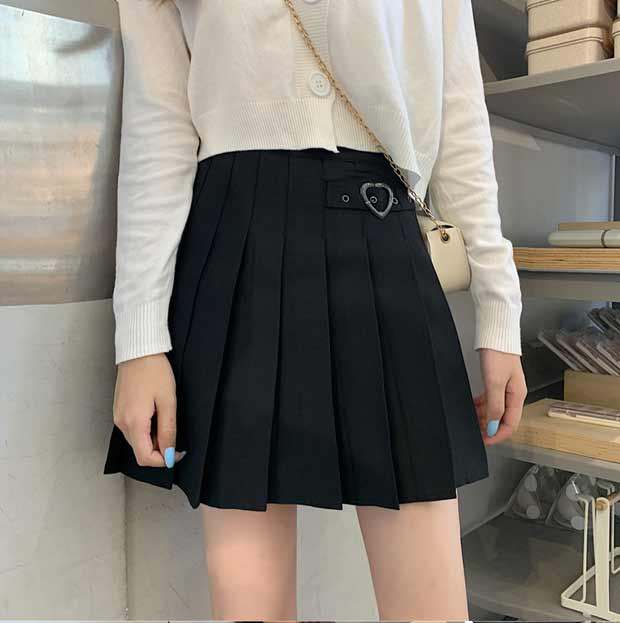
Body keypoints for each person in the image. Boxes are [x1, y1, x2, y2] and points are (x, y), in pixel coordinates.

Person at [103, 0, 528, 619]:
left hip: (382, 233)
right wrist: (140, 341)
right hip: (234, 252)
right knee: (249, 607)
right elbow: (158, 125)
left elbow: (461, 119)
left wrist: (499, 310)